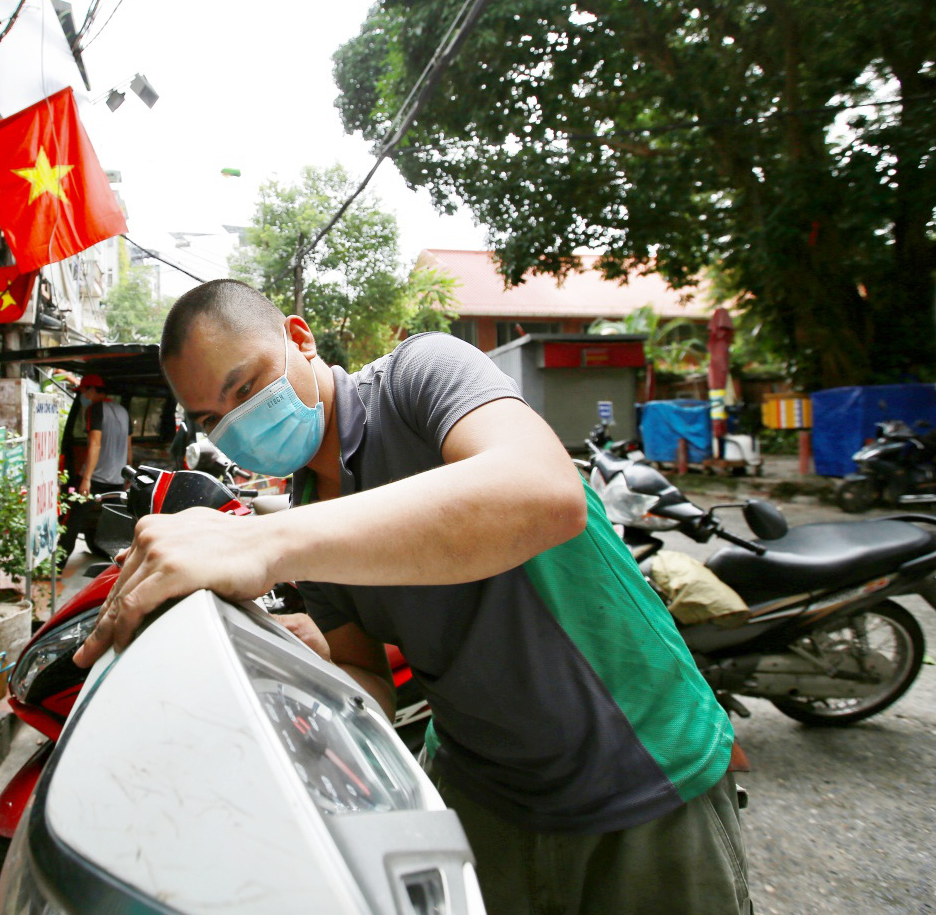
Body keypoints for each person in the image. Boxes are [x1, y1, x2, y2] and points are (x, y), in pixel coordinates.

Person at [75, 279, 752, 914]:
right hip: (486, 798)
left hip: (641, 765)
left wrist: (263, 541)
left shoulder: (419, 375)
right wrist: (280, 669)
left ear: (301, 338)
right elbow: (371, 685)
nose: (238, 422)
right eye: (211, 418)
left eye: (246, 386)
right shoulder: (310, 512)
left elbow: (545, 493)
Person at [57, 374, 131, 560]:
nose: (82, 396)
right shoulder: (123, 411)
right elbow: (129, 447)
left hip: (95, 480)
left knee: (72, 521)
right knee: (116, 526)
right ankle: (117, 566)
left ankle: (57, 567)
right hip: (117, 480)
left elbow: (95, 444)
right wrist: (128, 477)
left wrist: (86, 479)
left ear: (91, 390)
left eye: (83, 391)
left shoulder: (95, 409)